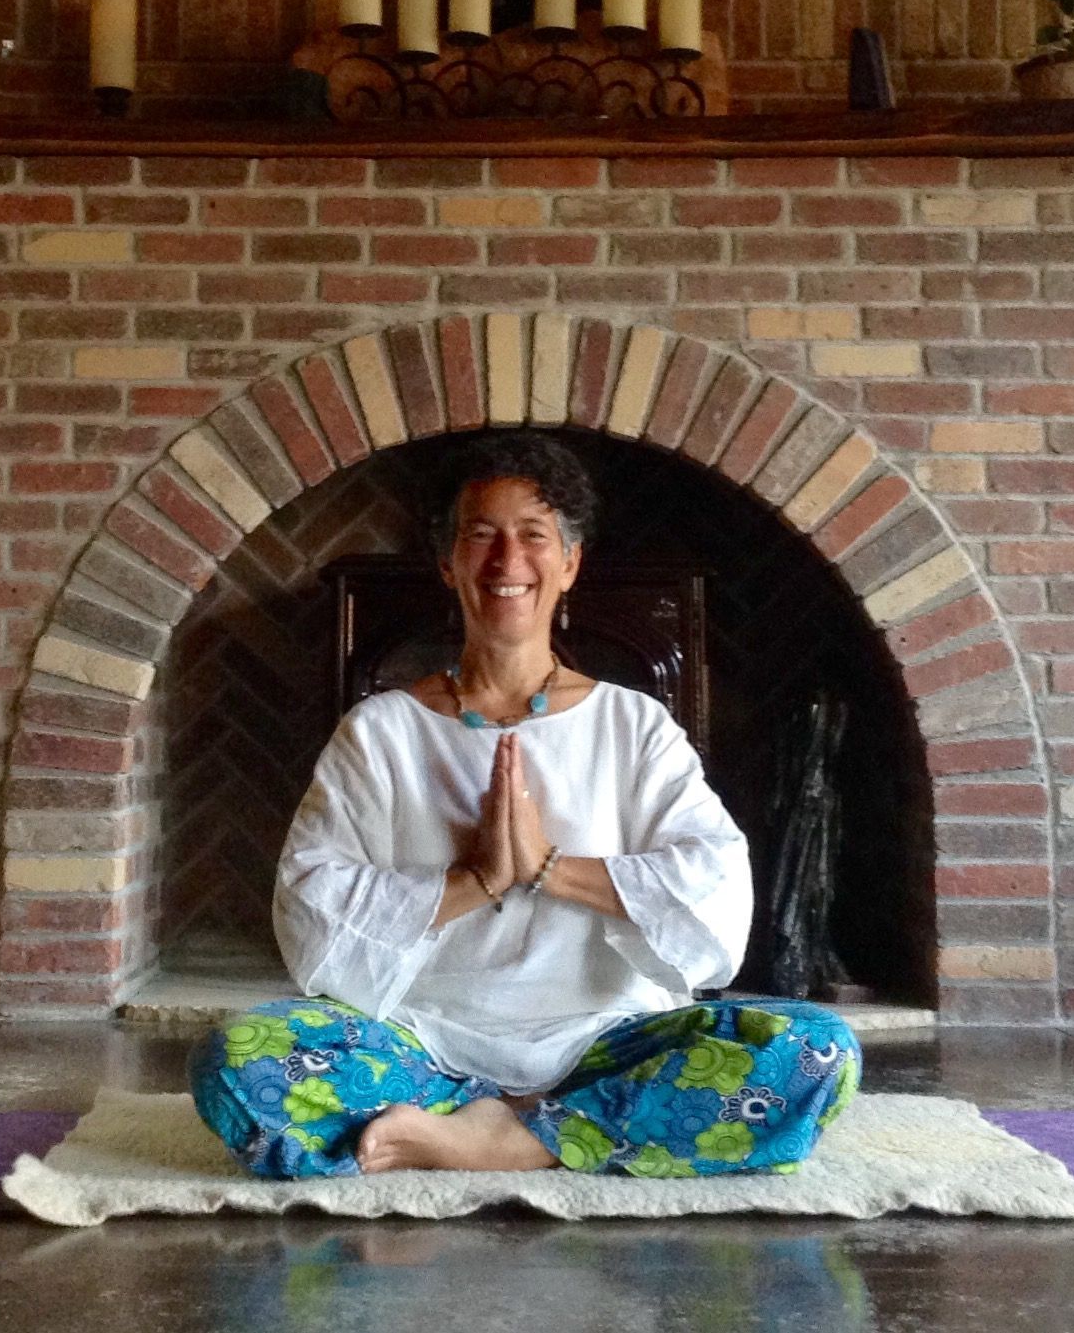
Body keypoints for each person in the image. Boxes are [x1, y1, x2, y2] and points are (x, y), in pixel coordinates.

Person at [188, 432, 862, 1178]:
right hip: (422, 1045)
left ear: (570, 563)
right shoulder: (381, 731)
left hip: (606, 1044)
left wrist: (547, 867)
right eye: (481, 536)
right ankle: (571, 1133)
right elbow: (310, 903)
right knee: (236, 1058)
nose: (507, 561)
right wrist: (475, 879)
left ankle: (498, 1139)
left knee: (815, 1051)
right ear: (448, 564)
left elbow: (717, 887)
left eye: (533, 535)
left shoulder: (633, 723)